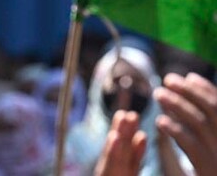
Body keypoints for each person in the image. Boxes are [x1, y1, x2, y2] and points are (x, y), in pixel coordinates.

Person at [67, 42, 190, 176]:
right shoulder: (76, 142)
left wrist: (163, 141)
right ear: (99, 87)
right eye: (116, 80)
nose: (126, 86)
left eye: (136, 80)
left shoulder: (170, 142)